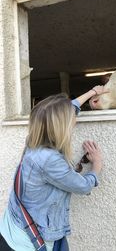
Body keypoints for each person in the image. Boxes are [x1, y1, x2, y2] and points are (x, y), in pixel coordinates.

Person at [0, 86, 106, 251]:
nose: (74, 120)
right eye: (70, 118)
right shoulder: (49, 160)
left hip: (11, 227)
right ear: (61, 125)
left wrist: (93, 92)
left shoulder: (33, 142)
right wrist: (97, 164)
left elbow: (68, 108)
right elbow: (84, 186)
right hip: (28, 243)